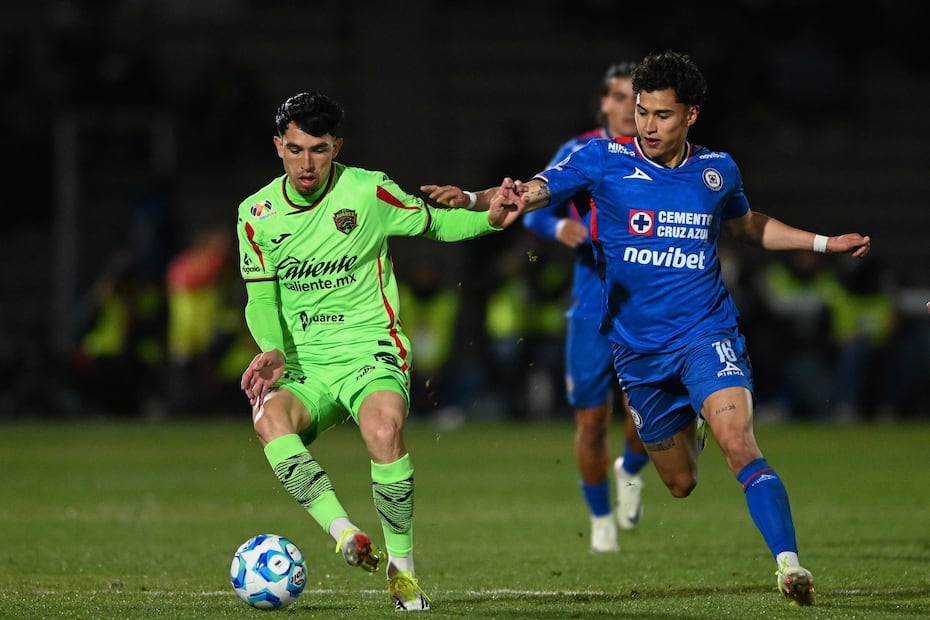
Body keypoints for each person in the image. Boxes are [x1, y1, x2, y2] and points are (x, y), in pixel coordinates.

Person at [492, 51, 871, 606]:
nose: (646, 124)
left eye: (662, 115)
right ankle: (686, 427)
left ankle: (790, 565)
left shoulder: (718, 170)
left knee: (739, 443)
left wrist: (822, 243)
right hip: (638, 352)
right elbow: (539, 189)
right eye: (642, 111)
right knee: (680, 484)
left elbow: (746, 226)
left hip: (705, 333)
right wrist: (496, 198)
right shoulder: (602, 159)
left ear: (690, 116)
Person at [236, 91, 523, 612]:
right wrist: (273, 351)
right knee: (268, 421)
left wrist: (490, 218)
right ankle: (344, 532)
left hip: (371, 350)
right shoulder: (255, 215)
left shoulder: (367, 191)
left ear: (336, 146)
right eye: (296, 149)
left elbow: (436, 222)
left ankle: (403, 573)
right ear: (279, 146)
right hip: (305, 365)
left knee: (384, 431)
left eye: (319, 150)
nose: (307, 163)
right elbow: (261, 298)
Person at [421, 62, 653, 554]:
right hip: (593, 302)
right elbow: (532, 202)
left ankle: (631, 469)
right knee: (591, 421)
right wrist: (554, 228)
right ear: (604, 104)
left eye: (634, 98)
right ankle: (600, 520)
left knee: (645, 419)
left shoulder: (664, 156)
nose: (625, 106)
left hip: (650, 305)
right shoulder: (584, 153)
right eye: (616, 96)